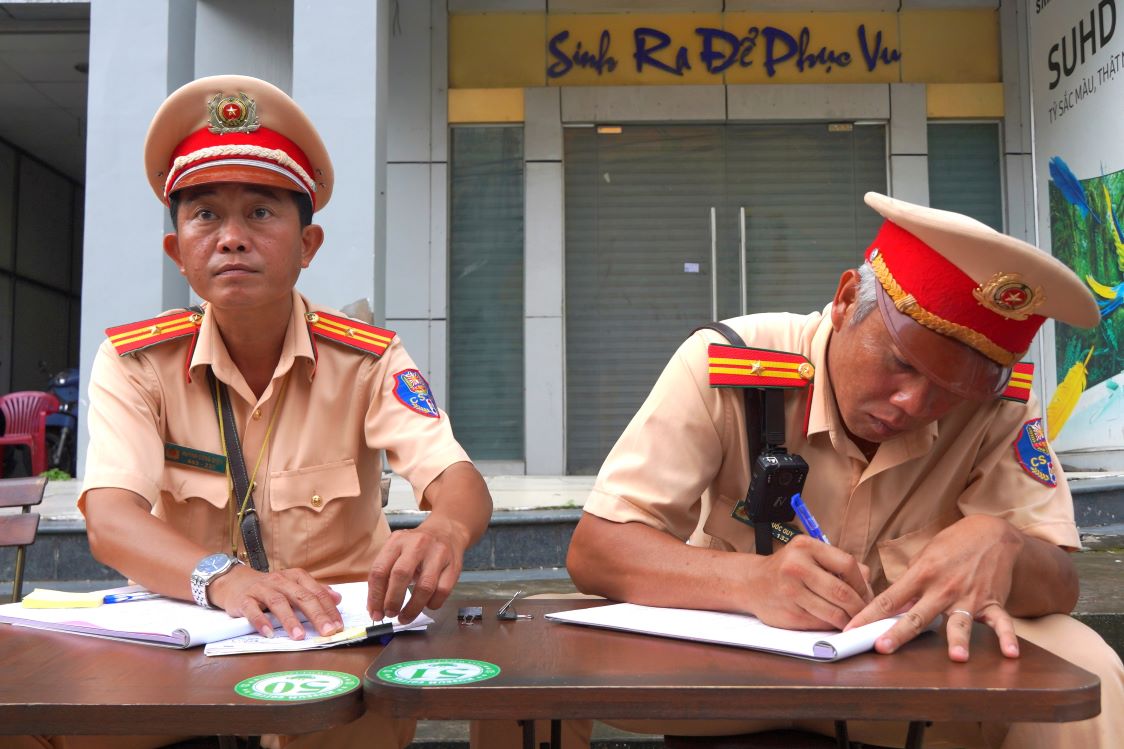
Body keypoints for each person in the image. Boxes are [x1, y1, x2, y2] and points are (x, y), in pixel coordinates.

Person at [20, 74, 493, 749]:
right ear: (177, 250)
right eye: (206, 214)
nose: (232, 237)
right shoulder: (134, 362)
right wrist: (224, 580)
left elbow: (457, 477)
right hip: (184, 635)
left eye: (262, 213)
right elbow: (111, 518)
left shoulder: (367, 358)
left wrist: (443, 529)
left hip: (334, 642)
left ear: (308, 244)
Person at [565, 192, 1124, 748]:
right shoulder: (726, 363)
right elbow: (597, 550)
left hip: (914, 680)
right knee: (545, 649)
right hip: (734, 675)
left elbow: (1060, 584)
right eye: (902, 362)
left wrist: (1006, 546)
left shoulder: (999, 407)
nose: (913, 403)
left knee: (1085, 665)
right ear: (846, 297)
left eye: (952, 391)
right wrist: (752, 583)